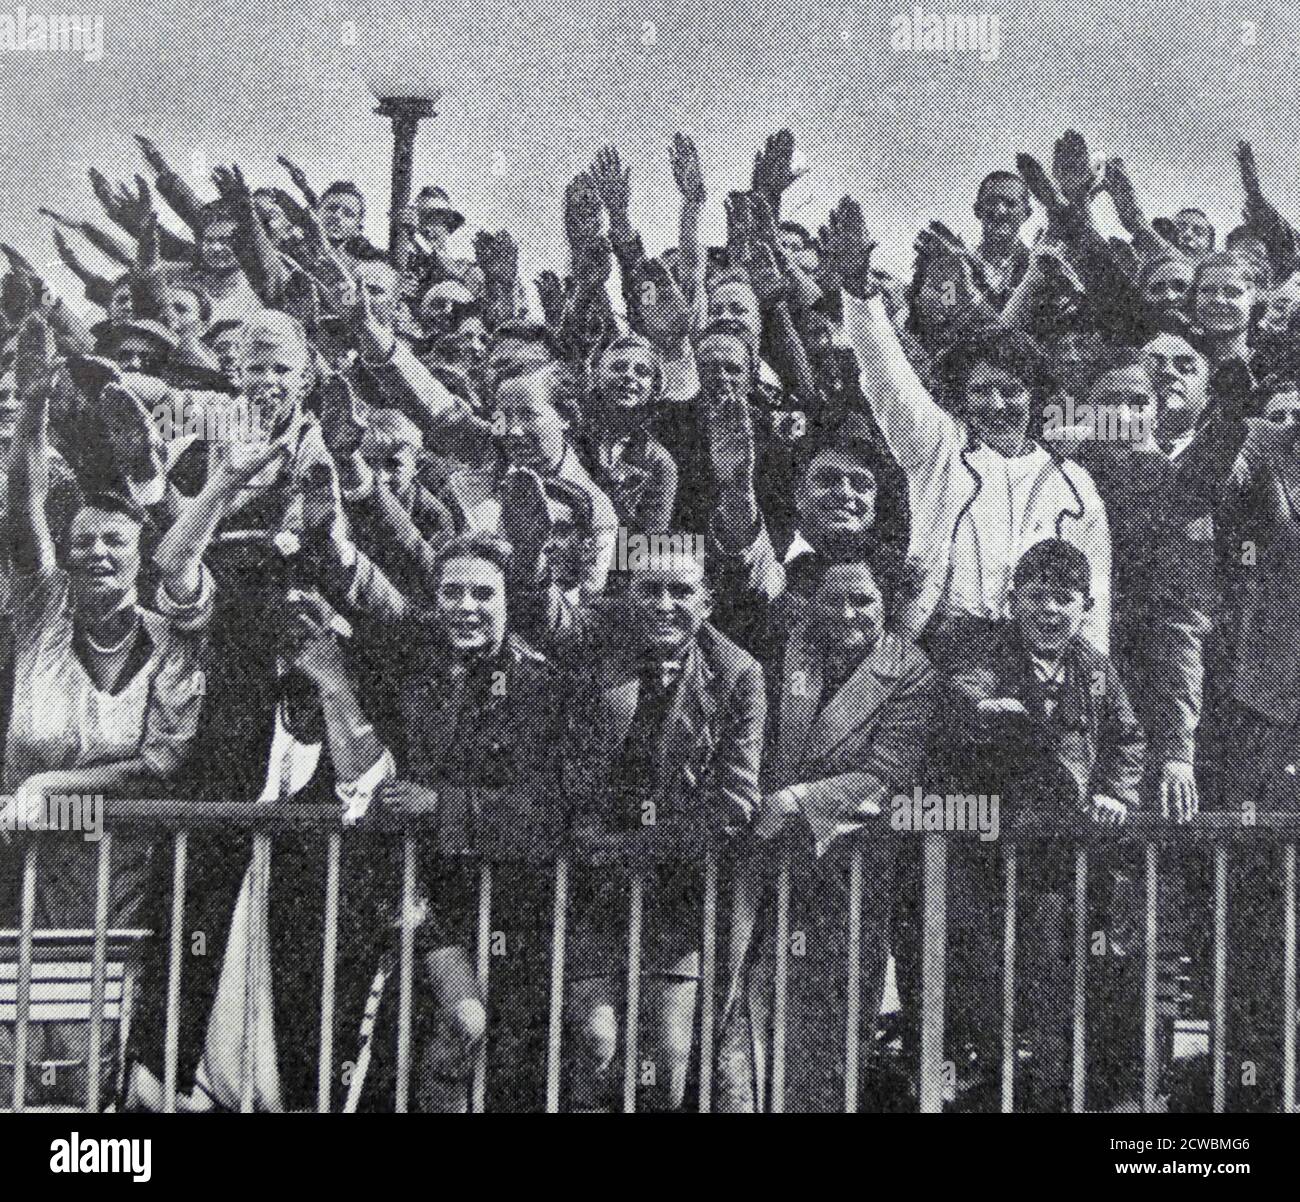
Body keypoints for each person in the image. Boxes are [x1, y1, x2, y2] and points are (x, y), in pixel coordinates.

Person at [824, 197, 1111, 663]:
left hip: (1039, 659)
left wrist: (1090, 686)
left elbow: (1093, 595)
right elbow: (886, 376)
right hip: (938, 644)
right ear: (962, 397)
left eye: (1011, 390)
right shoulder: (939, 445)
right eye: (981, 391)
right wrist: (858, 290)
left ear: (1033, 396)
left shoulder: (1075, 484)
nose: (997, 404)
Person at [935, 539, 1145, 1110]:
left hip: (1068, 843)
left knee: (1068, 964)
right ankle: (984, 1076)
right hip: (992, 841)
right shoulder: (988, 655)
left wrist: (1114, 792)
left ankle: (1063, 1082)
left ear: (1086, 606)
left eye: (1065, 599)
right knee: (984, 959)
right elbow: (964, 703)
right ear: (1013, 599)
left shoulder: (1097, 671)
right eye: (1037, 597)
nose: (1050, 611)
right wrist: (993, 713)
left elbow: (1126, 741)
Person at [724, 556, 937, 1113]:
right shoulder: (780, 653)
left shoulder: (910, 672)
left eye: (863, 601)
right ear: (810, 604)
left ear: (885, 607)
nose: (848, 613)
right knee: (736, 1022)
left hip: (845, 872)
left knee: (828, 1028)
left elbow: (889, 778)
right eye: (834, 600)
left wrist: (796, 802)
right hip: (758, 861)